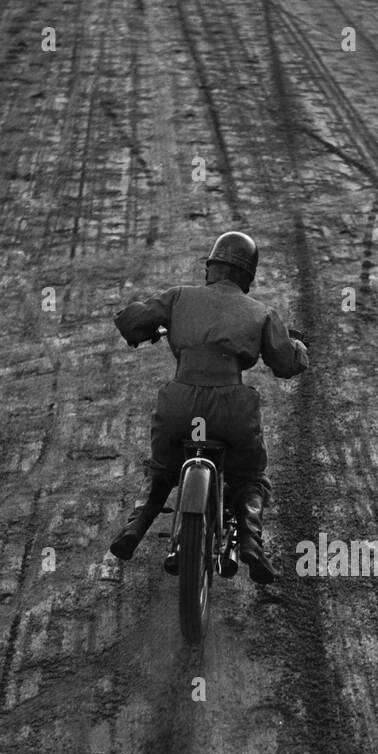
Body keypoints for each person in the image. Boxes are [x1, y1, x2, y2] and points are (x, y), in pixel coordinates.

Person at [109, 231, 308, 584]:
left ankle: (134, 528)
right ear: (248, 276)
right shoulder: (261, 313)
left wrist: (153, 329)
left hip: (179, 405)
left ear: (210, 268)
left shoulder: (179, 297)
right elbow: (287, 364)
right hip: (232, 410)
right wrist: (298, 349)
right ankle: (250, 541)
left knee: (161, 470)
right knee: (251, 478)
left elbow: (129, 321)